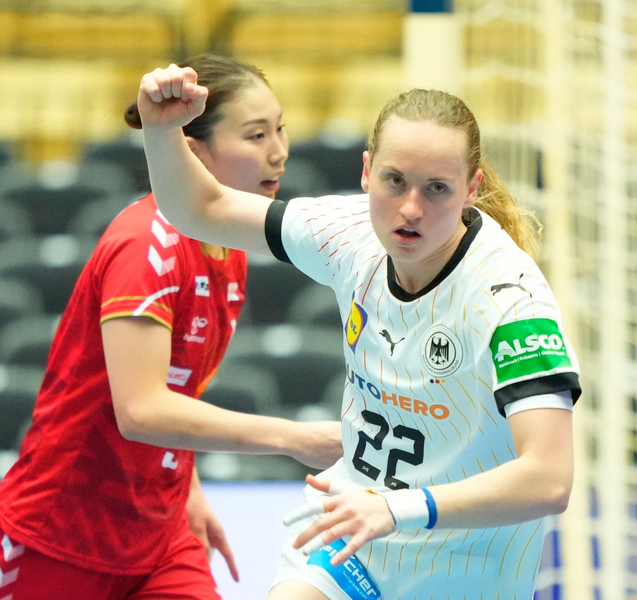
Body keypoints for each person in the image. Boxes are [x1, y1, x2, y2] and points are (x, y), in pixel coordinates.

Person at [136, 63, 580, 600]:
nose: (411, 209)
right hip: (351, 537)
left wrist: (398, 507)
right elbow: (203, 208)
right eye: (395, 181)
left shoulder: (512, 301)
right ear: (367, 171)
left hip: (461, 569)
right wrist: (161, 131)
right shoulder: (348, 234)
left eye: (437, 189)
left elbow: (550, 479)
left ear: (471, 189)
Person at [0, 55, 342, 600]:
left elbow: (177, 390)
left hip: (160, 533)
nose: (278, 151)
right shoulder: (146, 247)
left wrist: (188, 489)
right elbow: (143, 411)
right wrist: (295, 437)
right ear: (191, 147)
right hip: (62, 535)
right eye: (254, 135)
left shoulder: (228, 247)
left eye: (280, 129)